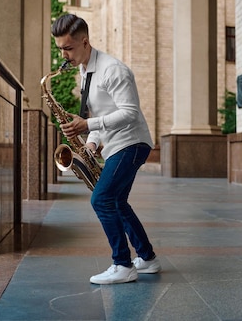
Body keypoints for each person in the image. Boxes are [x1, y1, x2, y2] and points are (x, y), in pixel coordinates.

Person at [51, 14, 161, 284]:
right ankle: (147, 258)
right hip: (115, 144)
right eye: (59, 49)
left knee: (101, 199)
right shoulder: (84, 72)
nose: (64, 55)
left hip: (132, 142)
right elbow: (102, 115)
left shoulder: (114, 70)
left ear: (85, 42)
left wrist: (87, 123)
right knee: (117, 202)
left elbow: (130, 113)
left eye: (68, 48)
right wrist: (90, 142)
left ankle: (123, 265)